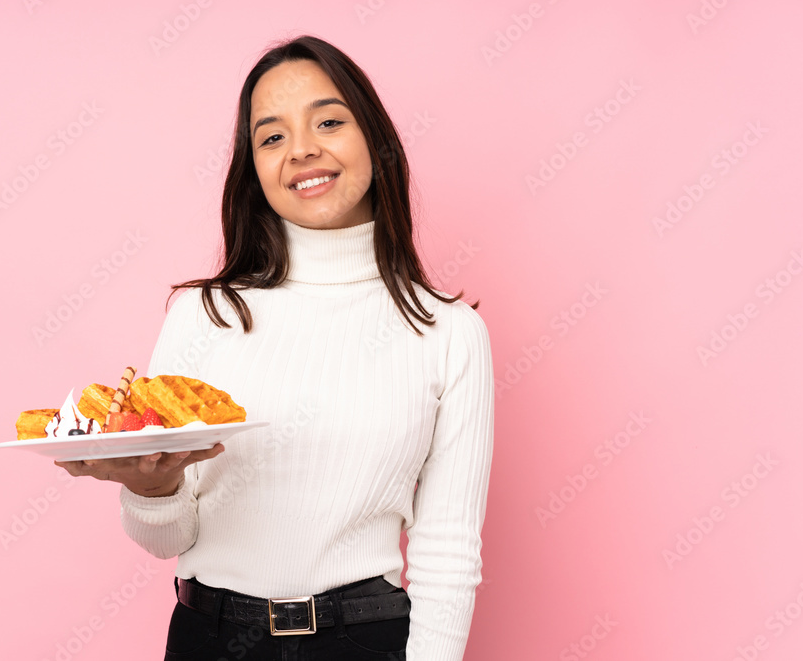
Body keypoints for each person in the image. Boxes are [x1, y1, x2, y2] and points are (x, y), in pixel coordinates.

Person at [57, 34, 494, 660]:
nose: (302, 150)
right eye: (271, 136)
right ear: (253, 168)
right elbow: (168, 539)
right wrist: (151, 491)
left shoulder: (448, 332)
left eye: (329, 121)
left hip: (363, 641)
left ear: (375, 138)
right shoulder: (203, 314)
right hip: (211, 637)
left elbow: (447, 549)